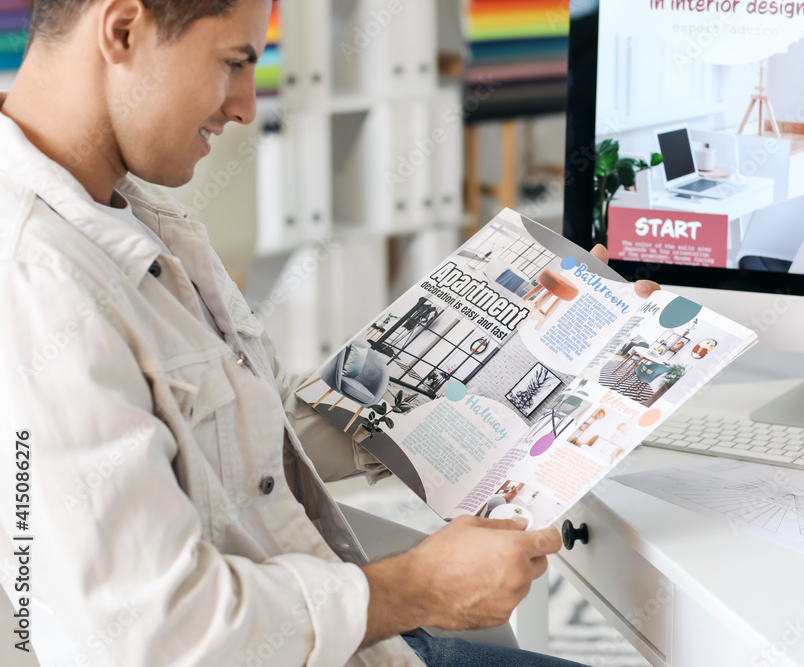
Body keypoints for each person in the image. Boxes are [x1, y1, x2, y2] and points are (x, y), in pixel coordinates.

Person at [0, 1, 661, 665]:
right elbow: (156, 638)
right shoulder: (37, 281)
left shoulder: (119, 203)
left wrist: (540, 341)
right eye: (234, 63)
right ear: (121, 30)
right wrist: (420, 587)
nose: (246, 107)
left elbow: (246, 425)